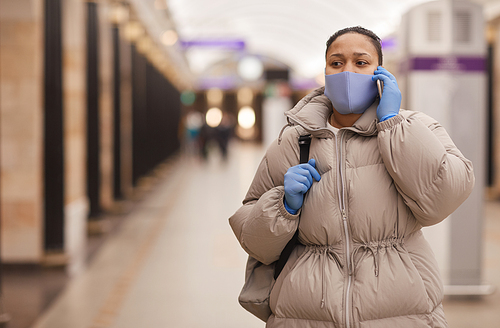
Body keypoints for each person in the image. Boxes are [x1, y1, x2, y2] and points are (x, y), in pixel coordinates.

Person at [229, 26, 474, 327]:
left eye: (360, 62)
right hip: (306, 313)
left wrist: (392, 126)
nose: (347, 71)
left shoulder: (415, 127)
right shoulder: (293, 141)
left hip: (401, 311)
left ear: (380, 72)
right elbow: (255, 241)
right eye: (336, 63)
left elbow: (442, 198)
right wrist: (283, 206)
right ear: (326, 72)